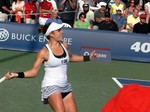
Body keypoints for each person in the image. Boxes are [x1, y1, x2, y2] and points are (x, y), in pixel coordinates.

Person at [5, 22, 98, 112]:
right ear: (51, 34)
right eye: (59, 30)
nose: (62, 32)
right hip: (50, 86)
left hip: (65, 86)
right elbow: (33, 72)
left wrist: (88, 58)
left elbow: (71, 57)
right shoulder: (43, 52)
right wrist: (15, 74)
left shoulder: (64, 45)